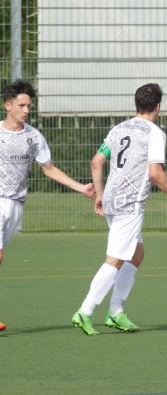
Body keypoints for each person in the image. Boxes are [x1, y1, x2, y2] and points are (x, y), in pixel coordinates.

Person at [72, 83, 167, 335]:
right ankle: (85, 311)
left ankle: (116, 312)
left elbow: (96, 162)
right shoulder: (155, 133)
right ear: (158, 106)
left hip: (112, 199)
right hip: (129, 203)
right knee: (115, 259)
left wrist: (100, 195)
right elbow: (155, 174)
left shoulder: (119, 128)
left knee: (136, 254)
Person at [0, 79, 95, 332]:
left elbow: (49, 169)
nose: (26, 110)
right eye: (21, 105)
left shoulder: (33, 136)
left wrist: (81, 188)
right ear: (7, 105)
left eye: (29, 106)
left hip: (16, 204)